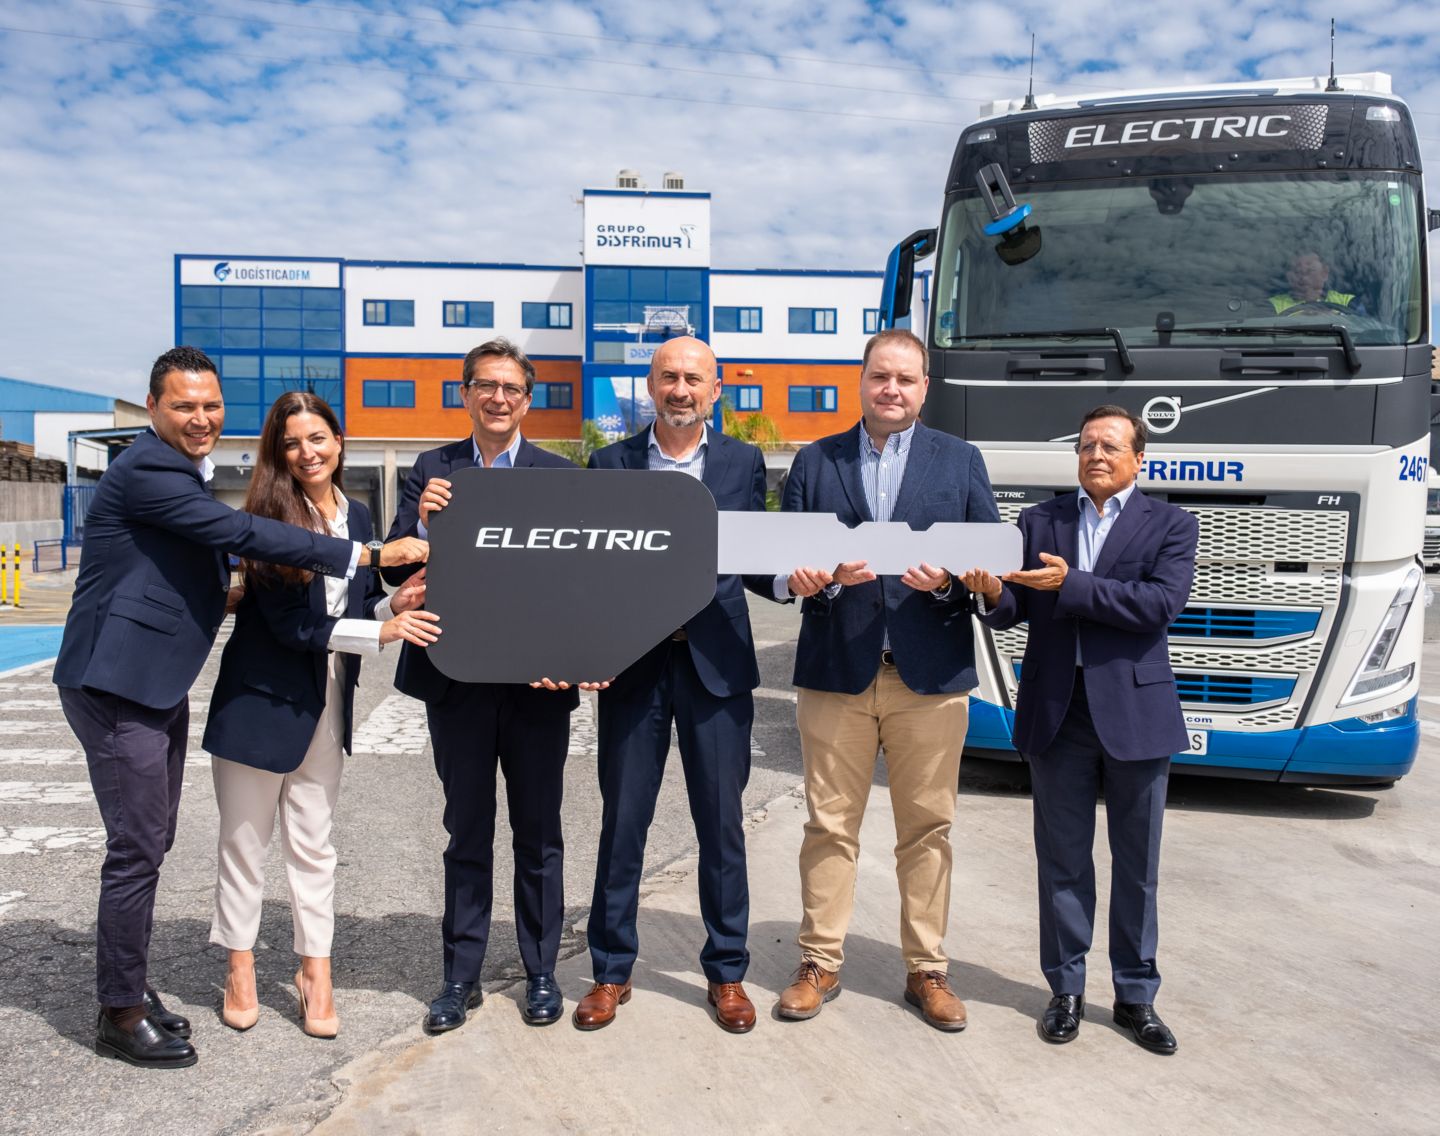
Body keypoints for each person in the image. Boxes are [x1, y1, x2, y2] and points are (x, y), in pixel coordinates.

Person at [53, 346, 426, 1069]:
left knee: (153, 840)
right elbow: (237, 534)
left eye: (211, 405)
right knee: (138, 846)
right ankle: (120, 1011)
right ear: (153, 407)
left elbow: (183, 562)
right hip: (117, 682)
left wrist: (243, 594)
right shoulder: (153, 469)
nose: (201, 418)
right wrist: (367, 555)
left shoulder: (183, 470)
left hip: (155, 682)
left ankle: (132, 985)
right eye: (183, 406)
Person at [775, 327, 999, 1033]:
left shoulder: (960, 461)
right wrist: (810, 580)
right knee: (828, 825)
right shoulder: (816, 460)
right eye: (880, 376)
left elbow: (988, 565)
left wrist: (949, 585)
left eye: (905, 378)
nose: (891, 389)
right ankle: (819, 961)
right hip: (835, 672)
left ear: (924, 387)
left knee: (927, 829)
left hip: (928, 678)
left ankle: (927, 969)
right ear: (862, 381)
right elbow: (778, 560)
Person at [201, 393, 441, 1039]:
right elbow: (291, 626)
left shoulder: (356, 515)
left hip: (329, 701)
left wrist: (391, 608)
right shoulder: (266, 516)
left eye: (317, 438)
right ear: (277, 454)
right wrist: (381, 634)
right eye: (292, 442)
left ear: (339, 441)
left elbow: (352, 608)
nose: (307, 452)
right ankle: (240, 967)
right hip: (259, 703)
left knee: (315, 845)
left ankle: (316, 971)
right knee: (243, 845)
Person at [963, 404, 1198, 1054]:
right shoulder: (1040, 520)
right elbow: (1015, 605)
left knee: (1138, 865)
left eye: (1110, 446)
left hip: (1136, 715)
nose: (1096, 454)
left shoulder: (1172, 524)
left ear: (1138, 459)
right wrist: (990, 593)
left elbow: (1160, 605)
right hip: (1057, 711)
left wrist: (1074, 585)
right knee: (1062, 861)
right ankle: (1064, 989)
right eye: (1087, 445)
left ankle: (1135, 997)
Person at [574, 335, 775, 1034]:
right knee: (623, 823)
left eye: (693, 378)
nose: (680, 389)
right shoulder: (610, 465)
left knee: (721, 827)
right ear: (650, 386)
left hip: (717, 667)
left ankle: (727, 972)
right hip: (634, 669)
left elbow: (757, 557)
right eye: (668, 376)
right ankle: (610, 970)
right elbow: (590, 570)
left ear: (716, 390)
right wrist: (587, 645)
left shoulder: (743, 463)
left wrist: (795, 581)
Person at [382, 338, 580, 1032]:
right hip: (456, 677)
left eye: (511, 388)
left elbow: (576, 580)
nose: (498, 398)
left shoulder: (559, 476)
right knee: (465, 831)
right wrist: (423, 522)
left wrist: (576, 652)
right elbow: (393, 564)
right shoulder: (432, 469)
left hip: (536, 684)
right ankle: (459, 977)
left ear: (527, 399)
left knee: (539, 832)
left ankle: (541, 972)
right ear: (464, 393)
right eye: (485, 386)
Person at [1269, 252, 1357, 315]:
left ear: (1324, 273)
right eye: (1297, 271)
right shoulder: (1272, 306)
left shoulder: (1347, 302)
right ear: (1288, 276)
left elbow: (1361, 327)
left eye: (1310, 271)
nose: (1303, 278)